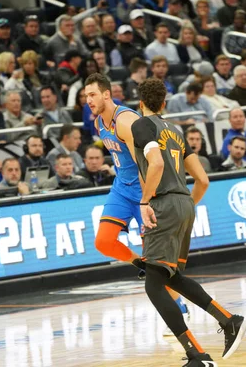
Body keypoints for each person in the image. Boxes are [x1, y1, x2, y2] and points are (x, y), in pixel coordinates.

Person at [132, 78, 246, 366]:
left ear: (141, 103)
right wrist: (185, 208)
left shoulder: (141, 125)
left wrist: (146, 202)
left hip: (164, 202)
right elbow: (203, 179)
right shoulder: (175, 130)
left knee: (153, 285)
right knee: (173, 277)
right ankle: (227, 321)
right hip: (185, 202)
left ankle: (196, 354)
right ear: (164, 103)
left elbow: (156, 164)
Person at [85, 73, 189, 312]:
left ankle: (179, 306)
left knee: (158, 266)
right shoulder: (99, 123)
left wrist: (147, 201)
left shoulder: (126, 121)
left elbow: (145, 163)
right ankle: (138, 263)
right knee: (103, 242)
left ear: (107, 94)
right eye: (86, 96)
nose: (89, 100)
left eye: (92, 95)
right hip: (122, 188)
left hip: (144, 191)